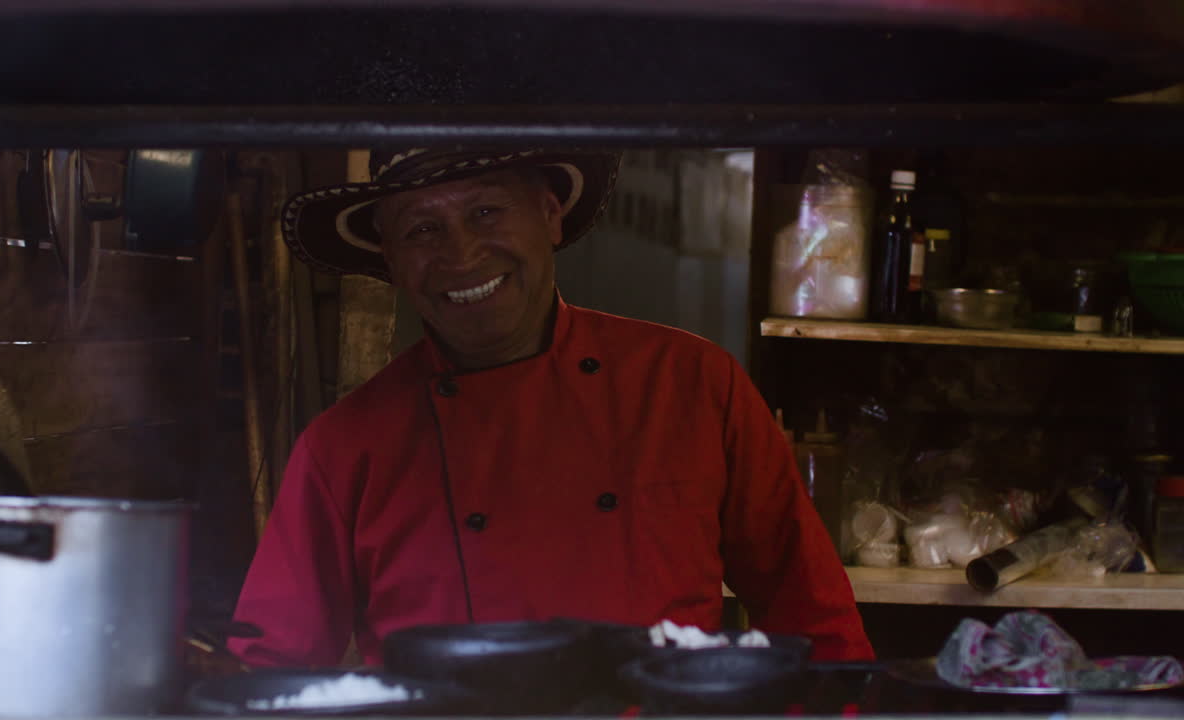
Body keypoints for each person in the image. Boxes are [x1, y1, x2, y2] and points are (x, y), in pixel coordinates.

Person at [230, 148, 873, 666]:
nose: (461, 255)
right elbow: (268, 668)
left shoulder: (693, 385)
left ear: (549, 214)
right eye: (422, 229)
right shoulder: (345, 446)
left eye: (486, 212)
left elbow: (812, 619)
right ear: (390, 260)